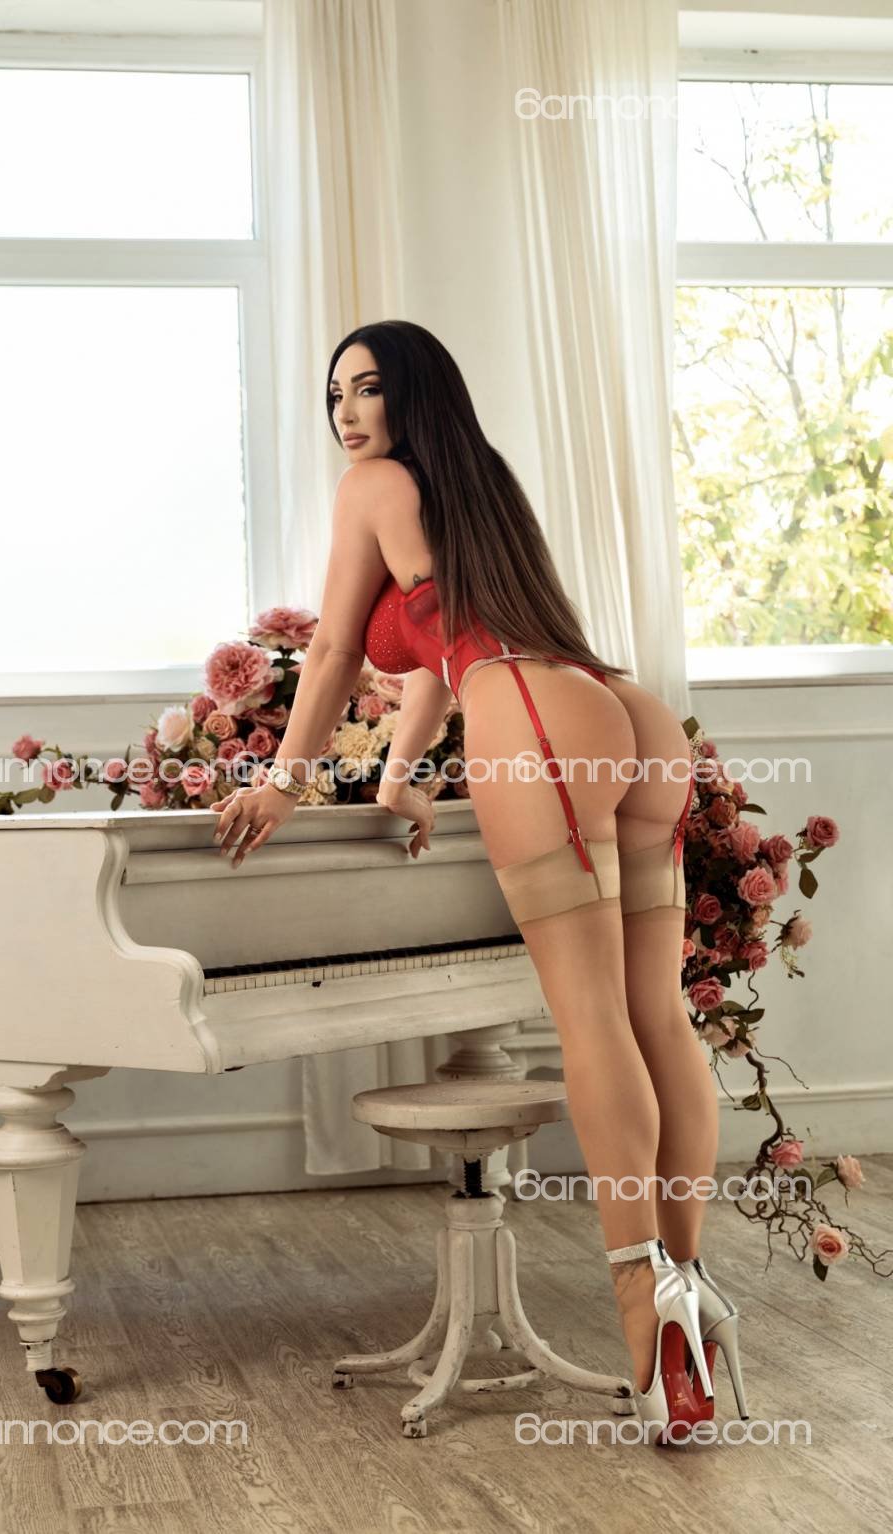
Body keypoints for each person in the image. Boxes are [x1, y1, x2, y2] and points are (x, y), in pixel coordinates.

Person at [211, 319, 743, 1440]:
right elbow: (444, 655)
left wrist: (285, 782)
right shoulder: (478, 482)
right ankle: (690, 1291)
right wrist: (401, 775)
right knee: (657, 1016)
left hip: (535, 725)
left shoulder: (372, 487)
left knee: (593, 1022)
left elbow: (339, 652)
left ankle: (644, 1316)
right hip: (623, 716)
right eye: (335, 394)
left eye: (367, 389)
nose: (347, 413)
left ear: (413, 396)